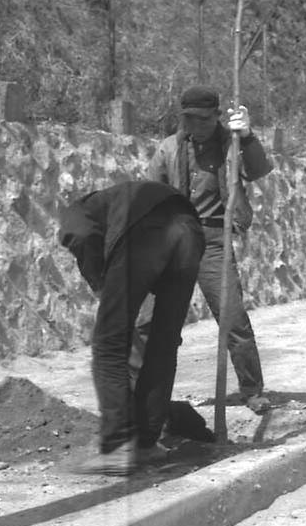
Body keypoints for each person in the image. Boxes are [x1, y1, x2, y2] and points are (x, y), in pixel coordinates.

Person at [58, 180, 205, 475]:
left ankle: (117, 445)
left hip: (147, 233)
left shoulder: (77, 210)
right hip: (191, 231)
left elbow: (81, 236)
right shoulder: (115, 200)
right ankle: (147, 443)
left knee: (109, 341)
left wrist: (100, 282)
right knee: (163, 344)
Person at [145, 85, 273, 414]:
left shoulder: (230, 144)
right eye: (189, 119)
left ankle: (252, 390)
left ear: (216, 117)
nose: (196, 125)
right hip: (176, 240)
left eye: (203, 119)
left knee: (233, 319)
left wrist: (245, 136)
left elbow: (259, 169)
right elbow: (151, 193)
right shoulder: (169, 149)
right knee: (154, 323)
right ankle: (150, 397)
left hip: (215, 239)